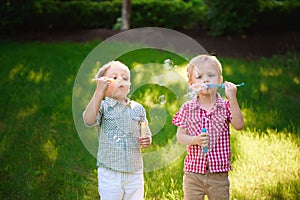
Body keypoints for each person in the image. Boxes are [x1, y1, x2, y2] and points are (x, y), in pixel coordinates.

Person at [172, 54, 244, 200]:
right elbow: (180, 137)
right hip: (193, 174)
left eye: (210, 75)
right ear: (191, 84)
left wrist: (233, 98)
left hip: (218, 175)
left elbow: (239, 125)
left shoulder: (225, 106)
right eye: (199, 77)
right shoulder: (187, 108)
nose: (205, 80)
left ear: (220, 81)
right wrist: (195, 140)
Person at [83, 61, 151, 200]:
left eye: (125, 78)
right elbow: (88, 120)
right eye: (114, 77)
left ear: (129, 86)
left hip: (134, 171)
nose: (121, 79)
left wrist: (147, 139)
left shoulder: (138, 109)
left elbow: (145, 131)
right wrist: (98, 93)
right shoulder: (103, 106)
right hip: (110, 171)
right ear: (103, 85)